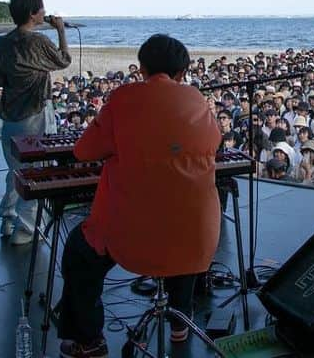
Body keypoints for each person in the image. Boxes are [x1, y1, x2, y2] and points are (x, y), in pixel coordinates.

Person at [56, 34, 220, 358]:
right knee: (182, 229)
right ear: (183, 72)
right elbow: (212, 143)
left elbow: (84, 150)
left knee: (79, 251)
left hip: (132, 234)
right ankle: (179, 321)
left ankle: (88, 341)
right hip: (198, 235)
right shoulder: (198, 101)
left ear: (142, 67)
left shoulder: (123, 99)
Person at [0, 0, 71, 245]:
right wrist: (61, 31)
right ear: (33, 14)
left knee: (15, 167)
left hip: (10, 111)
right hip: (34, 111)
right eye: (42, 9)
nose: (45, 13)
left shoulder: (4, 42)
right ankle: (26, 230)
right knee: (34, 170)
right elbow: (64, 60)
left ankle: (8, 218)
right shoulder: (37, 42)